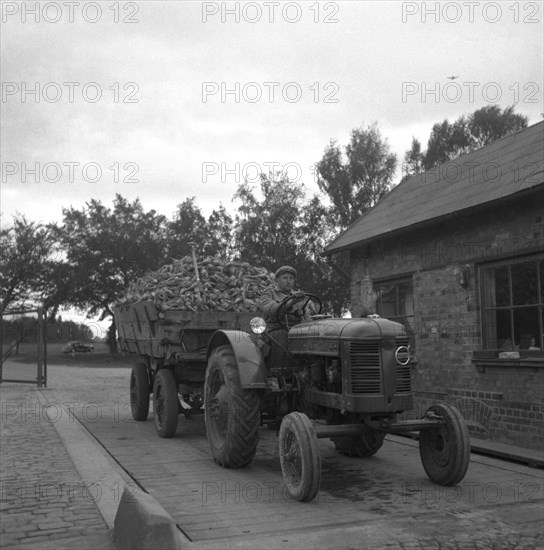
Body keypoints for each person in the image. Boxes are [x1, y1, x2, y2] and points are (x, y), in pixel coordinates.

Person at [258, 265, 315, 349]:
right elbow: (272, 310)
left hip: (296, 330)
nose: (288, 281)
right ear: (277, 280)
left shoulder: (298, 296)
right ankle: (281, 362)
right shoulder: (268, 294)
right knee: (282, 336)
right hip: (274, 330)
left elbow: (306, 316)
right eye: (285, 278)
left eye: (291, 278)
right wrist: (290, 303)